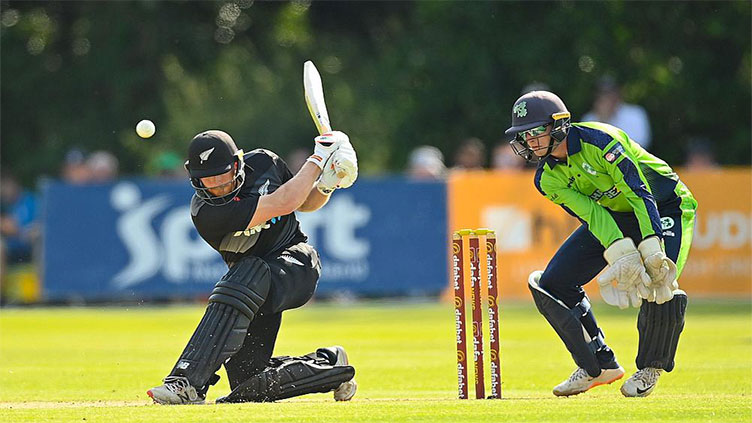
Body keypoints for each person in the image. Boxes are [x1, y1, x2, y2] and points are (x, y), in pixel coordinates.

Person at [505, 91, 696, 398]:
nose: (531, 141)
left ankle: (650, 367)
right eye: (525, 135)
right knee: (553, 283)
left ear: (558, 125)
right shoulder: (547, 179)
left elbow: (638, 192)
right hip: (615, 216)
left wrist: (650, 247)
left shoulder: (601, 140)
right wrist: (621, 252)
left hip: (665, 205)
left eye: (537, 131)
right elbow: (593, 214)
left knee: (661, 281)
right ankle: (599, 364)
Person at [147, 129, 358, 404]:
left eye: (221, 176)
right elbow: (284, 201)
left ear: (237, 164)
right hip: (251, 294)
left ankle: (186, 383)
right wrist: (319, 158)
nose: (217, 186)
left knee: (248, 270)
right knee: (248, 385)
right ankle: (330, 366)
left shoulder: (263, 163)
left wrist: (327, 185)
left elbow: (303, 202)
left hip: (295, 265)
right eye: (207, 180)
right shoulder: (207, 213)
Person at [582, 77, 652, 150]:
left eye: (609, 93)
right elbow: (587, 149)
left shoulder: (635, 113)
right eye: (602, 93)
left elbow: (641, 142)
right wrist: (603, 120)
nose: (606, 98)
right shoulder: (589, 119)